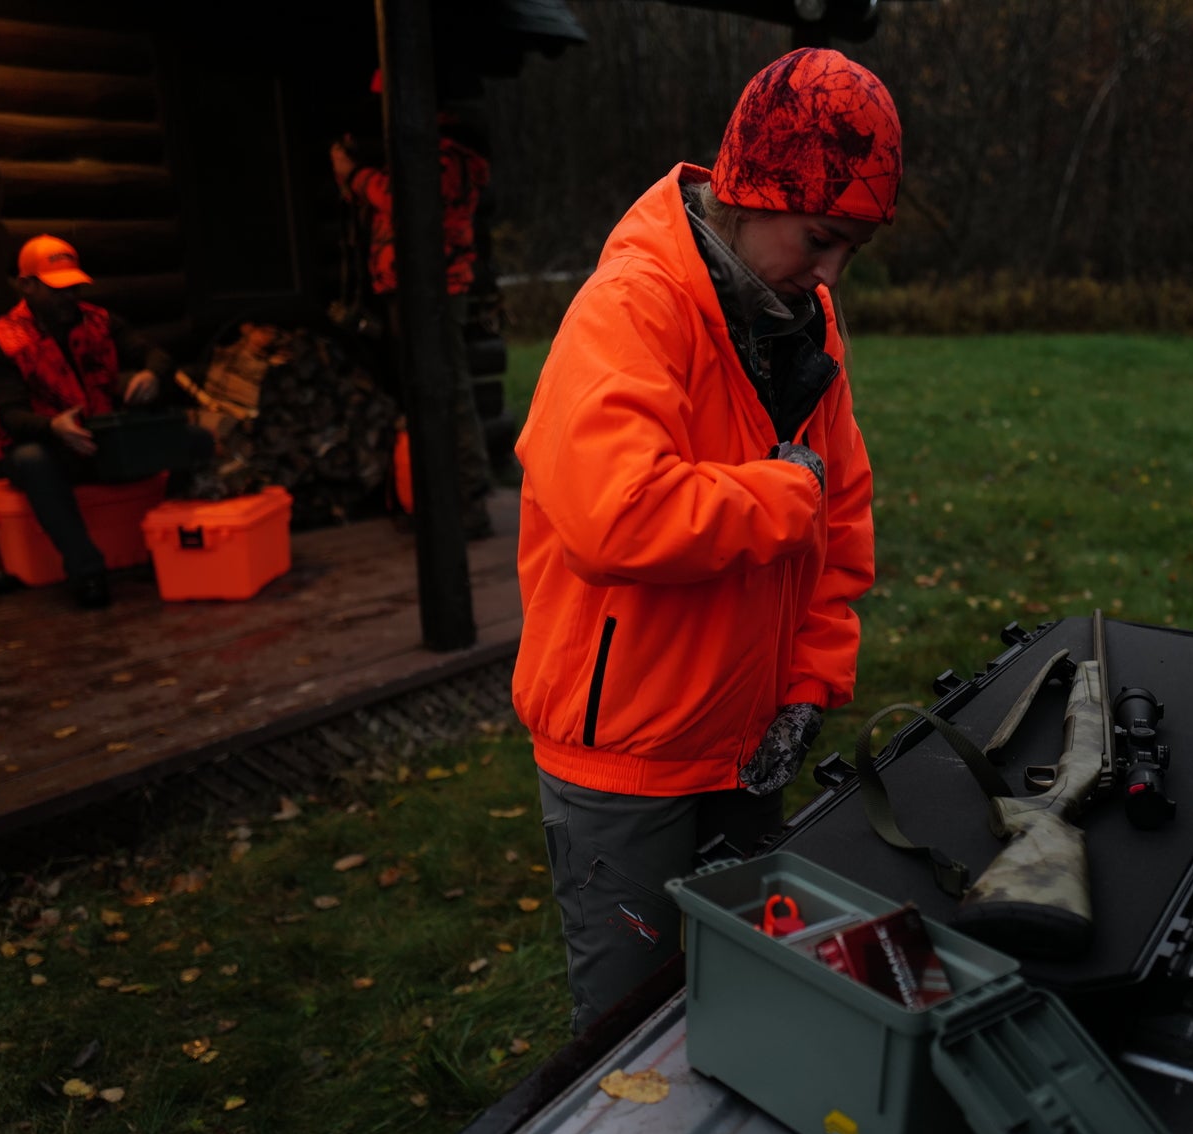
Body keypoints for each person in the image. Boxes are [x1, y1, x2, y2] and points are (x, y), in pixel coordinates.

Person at [512, 48, 901, 1033]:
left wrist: (810, 684)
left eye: (850, 250)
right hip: (626, 761)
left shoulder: (803, 327)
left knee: (747, 993)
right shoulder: (631, 308)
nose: (830, 275)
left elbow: (840, 520)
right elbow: (615, 513)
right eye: (820, 238)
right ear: (750, 191)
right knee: (628, 1029)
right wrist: (780, 497)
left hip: (746, 744)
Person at [0, 235, 214, 608]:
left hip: (102, 439)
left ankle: (163, 547)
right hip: (49, 446)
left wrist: (151, 374)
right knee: (31, 460)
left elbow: (155, 354)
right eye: (57, 289)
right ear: (26, 285)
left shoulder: (100, 321)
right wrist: (53, 427)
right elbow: (11, 417)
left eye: (73, 286)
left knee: (196, 439)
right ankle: (87, 572)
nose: (68, 296)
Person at [331, 72, 497, 538]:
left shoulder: (446, 155)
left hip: (436, 290)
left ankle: (466, 500)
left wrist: (356, 175)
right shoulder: (426, 151)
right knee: (426, 393)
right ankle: (437, 499)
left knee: (450, 394)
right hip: (411, 289)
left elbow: (405, 200)